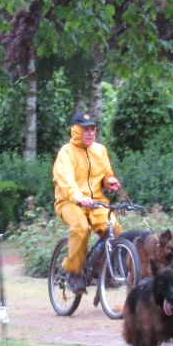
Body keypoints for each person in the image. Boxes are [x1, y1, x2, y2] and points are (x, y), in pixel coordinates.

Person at [52, 111, 123, 292]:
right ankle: (73, 272)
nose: (90, 133)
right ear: (75, 131)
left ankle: (103, 270)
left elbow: (106, 174)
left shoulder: (100, 151)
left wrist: (110, 181)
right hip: (69, 202)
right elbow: (66, 180)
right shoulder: (66, 153)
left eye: (92, 129)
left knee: (113, 227)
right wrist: (78, 197)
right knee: (80, 228)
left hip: (96, 202)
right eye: (85, 130)